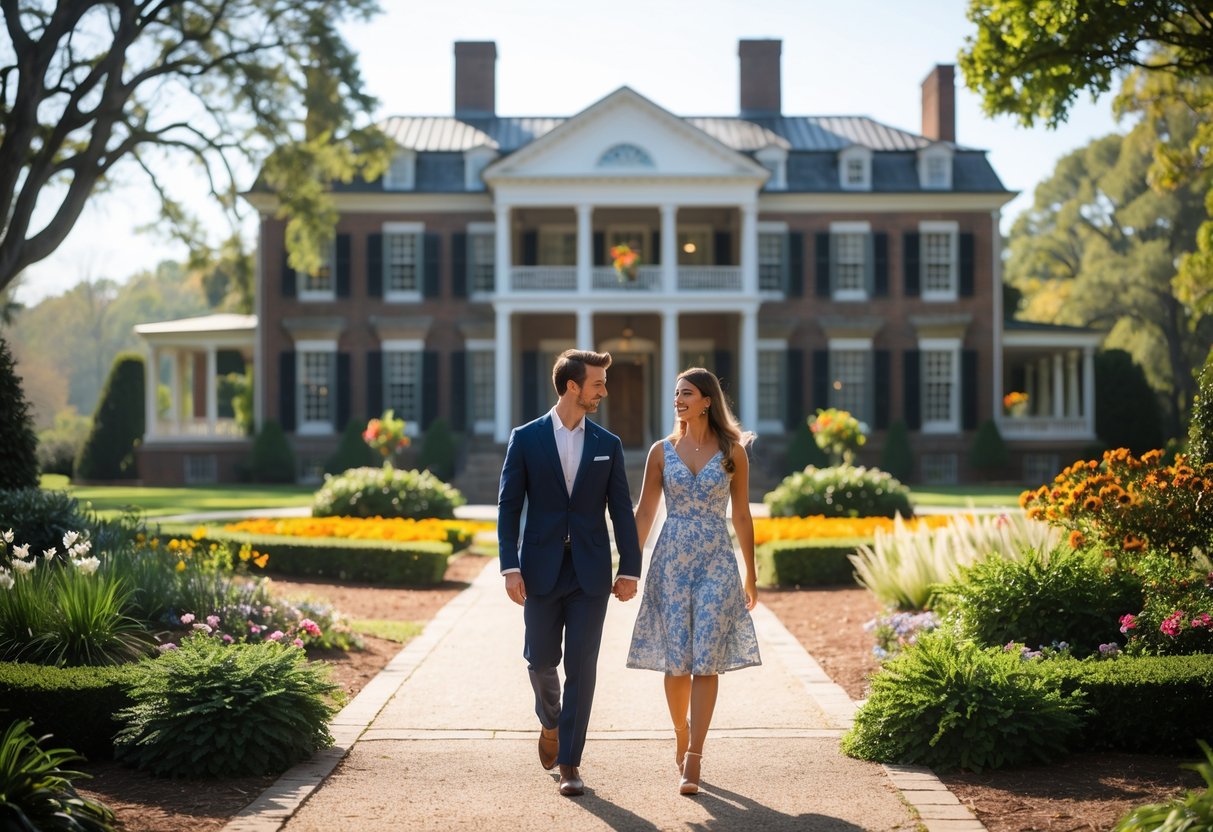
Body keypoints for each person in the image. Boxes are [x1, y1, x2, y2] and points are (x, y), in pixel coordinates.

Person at [498, 349, 643, 797]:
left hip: (590, 573)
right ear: (573, 386)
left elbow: (621, 510)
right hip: (539, 569)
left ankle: (570, 764)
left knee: (582, 665)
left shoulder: (608, 444)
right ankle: (551, 722)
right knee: (540, 660)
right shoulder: (525, 438)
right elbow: (509, 506)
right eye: (597, 383)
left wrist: (630, 568)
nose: (604, 390)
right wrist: (510, 565)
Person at [625, 367, 761, 796]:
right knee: (677, 662)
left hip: (716, 564)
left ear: (707, 400)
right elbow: (644, 512)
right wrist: (628, 566)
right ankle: (680, 733)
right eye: (676, 394)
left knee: (707, 658)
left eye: (687, 394)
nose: (678, 400)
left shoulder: (732, 452)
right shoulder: (661, 451)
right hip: (671, 563)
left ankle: (695, 756)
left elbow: (741, 514)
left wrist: (751, 572)